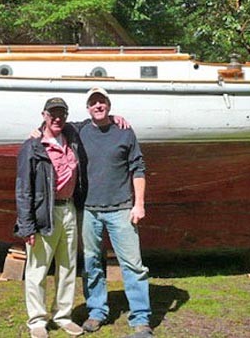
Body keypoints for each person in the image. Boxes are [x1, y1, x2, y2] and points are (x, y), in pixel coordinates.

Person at [78, 87, 152, 338]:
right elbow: (52, 126)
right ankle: (97, 311)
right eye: (93, 102)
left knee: (133, 265)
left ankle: (140, 318)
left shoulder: (124, 131)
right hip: (90, 211)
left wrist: (139, 204)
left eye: (102, 101)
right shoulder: (79, 130)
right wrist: (36, 132)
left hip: (122, 209)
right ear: (87, 108)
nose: (98, 106)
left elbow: (138, 168)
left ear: (109, 105)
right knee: (91, 264)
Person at [15, 97, 85, 338]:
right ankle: (37, 320)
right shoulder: (33, 145)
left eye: (62, 114)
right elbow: (23, 188)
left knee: (68, 266)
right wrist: (26, 226)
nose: (57, 118)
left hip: (69, 209)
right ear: (44, 115)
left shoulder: (72, 137)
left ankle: (63, 316)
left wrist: (116, 119)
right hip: (45, 211)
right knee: (38, 268)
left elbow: (89, 122)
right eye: (53, 114)